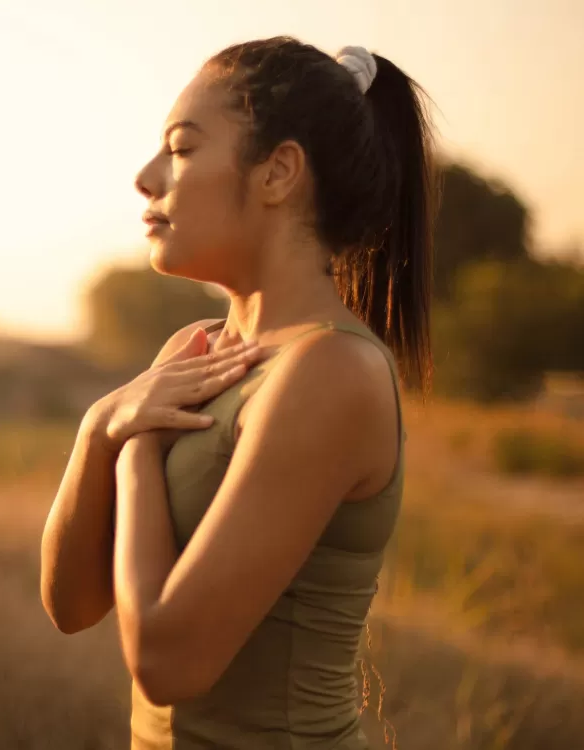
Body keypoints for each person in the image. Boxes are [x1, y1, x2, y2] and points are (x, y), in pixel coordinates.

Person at [41, 36, 437, 749]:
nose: (145, 176)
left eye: (183, 149)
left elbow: (166, 662)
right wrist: (100, 427)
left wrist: (134, 450)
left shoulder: (330, 370)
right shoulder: (192, 353)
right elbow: (71, 605)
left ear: (279, 172)